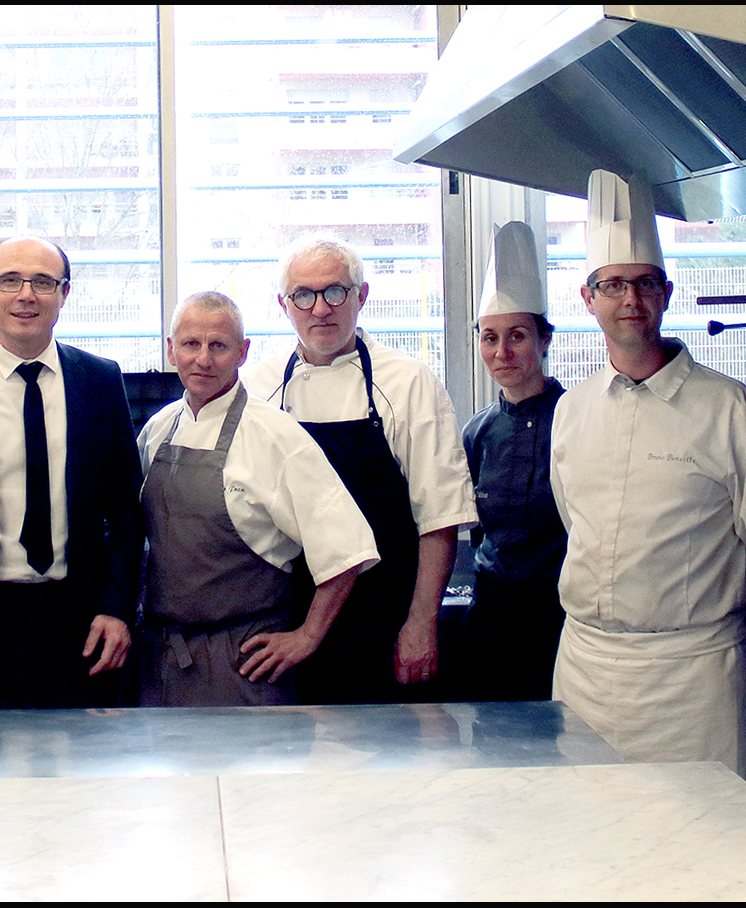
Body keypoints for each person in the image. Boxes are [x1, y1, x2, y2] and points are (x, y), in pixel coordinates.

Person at [549, 169, 746, 792]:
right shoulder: (572, 410)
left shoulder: (731, 409)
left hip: (696, 678)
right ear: (588, 298)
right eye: (613, 285)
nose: (630, 298)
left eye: (645, 283)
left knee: (713, 837)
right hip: (586, 671)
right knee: (592, 833)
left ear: (667, 293)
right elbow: (575, 520)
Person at [0, 235, 144, 708]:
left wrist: (117, 608)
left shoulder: (99, 381)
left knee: (82, 753)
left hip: (81, 624)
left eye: (43, 282)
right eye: (10, 280)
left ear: (65, 293)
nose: (26, 295)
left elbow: (127, 511)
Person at [241, 236, 477, 704]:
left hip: (386, 619)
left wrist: (421, 623)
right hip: (285, 622)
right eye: (303, 295)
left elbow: (440, 517)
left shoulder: (408, 382)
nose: (320, 308)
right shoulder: (257, 386)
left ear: (361, 296)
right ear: (284, 305)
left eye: (335, 291)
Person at [135, 292, 378, 707]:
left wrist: (306, 637)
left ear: (242, 352)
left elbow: (347, 550)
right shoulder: (158, 430)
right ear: (171, 350)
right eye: (191, 344)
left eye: (218, 346)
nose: (203, 359)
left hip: (244, 664)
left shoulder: (275, 436)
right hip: (160, 660)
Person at [458, 221, 567, 701]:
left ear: (544, 341)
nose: (502, 352)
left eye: (517, 336)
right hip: (491, 616)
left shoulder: (576, 419)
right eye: (490, 338)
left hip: (561, 617)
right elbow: (478, 531)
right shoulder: (477, 432)